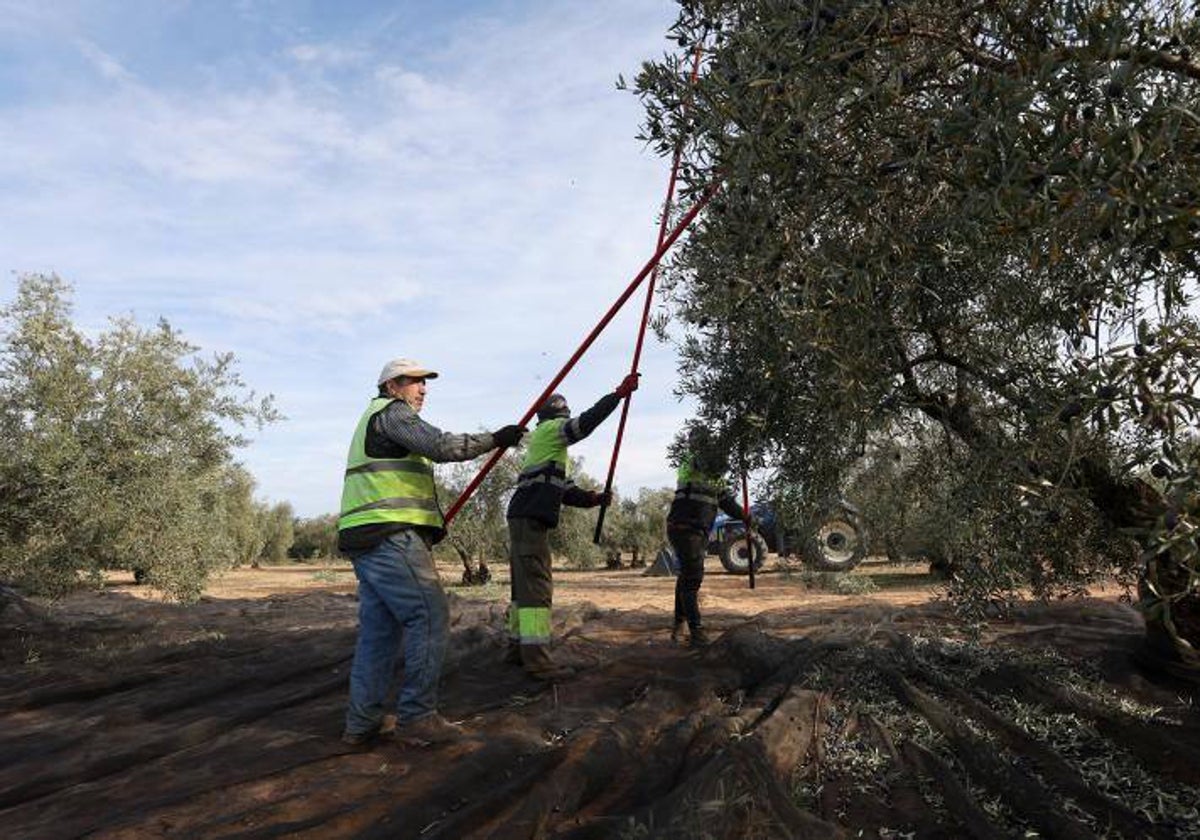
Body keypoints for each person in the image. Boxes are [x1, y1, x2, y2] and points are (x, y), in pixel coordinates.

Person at [338, 357, 527, 746]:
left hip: (367, 538)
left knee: (379, 633)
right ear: (392, 386)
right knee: (429, 615)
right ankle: (418, 718)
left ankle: (362, 723)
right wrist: (495, 438)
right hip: (389, 535)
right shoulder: (393, 414)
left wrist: (428, 524)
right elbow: (440, 446)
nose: (423, 390)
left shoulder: (376, 418)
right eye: (414, 382)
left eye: (425, 383)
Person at [504, 373, 640, 679]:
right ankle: (537, 662)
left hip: (522, 518)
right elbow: (586, 424)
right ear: (558, 416)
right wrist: (617, 395)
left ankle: (516, 651)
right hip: (529, 521)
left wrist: (592, 499)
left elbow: (564, 491)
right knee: (536, 592)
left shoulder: (545, 446)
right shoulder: (553, 431)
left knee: (522, 590)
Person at [665, 423, 750, 648]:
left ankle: (679, 625)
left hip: (695, 529)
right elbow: (713, 463)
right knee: (692, 578)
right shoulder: (693, 460)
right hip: (685, 527)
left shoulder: (711, 475)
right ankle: (696, 632)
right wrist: (734, 438)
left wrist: (746, 517)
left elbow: (726, 501)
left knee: (686, 577)